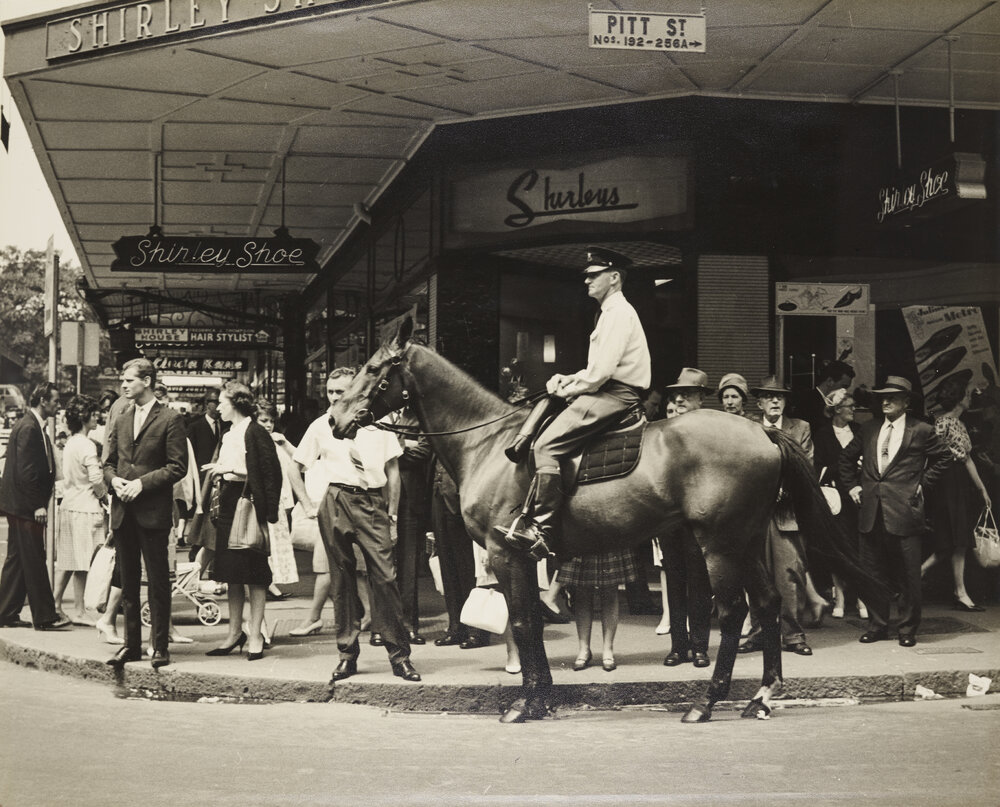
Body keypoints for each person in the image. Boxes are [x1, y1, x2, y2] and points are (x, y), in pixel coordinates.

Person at [498, 246, 651, 560]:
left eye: (594, 275)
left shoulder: (617, 313)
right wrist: (567, 379)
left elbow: (601, 374)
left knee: (545, 446)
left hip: (615, 395)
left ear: (614, 277)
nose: (587, 281)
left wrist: (567, 389)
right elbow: (598, 370)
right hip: (610, 389)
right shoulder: (611, 312)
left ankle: (541, 529)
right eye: (587, 276)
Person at [292, 367, 422, 683]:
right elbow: (296, 467)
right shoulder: (322, 425)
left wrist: (392, 514)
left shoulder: (379, 425)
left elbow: (393, 470)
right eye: (330, 391)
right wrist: (309, 504)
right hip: (336, 499)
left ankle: (400, 657)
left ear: (356, 391)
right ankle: (347, 656)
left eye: (341, 391)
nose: (334, 397)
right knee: (341, 581)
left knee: (386, 578)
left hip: (372, 501)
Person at [839, 375, 952, 647]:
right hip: (871, 512)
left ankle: (907, 629)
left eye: (892, 397)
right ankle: (877, 626)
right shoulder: (869, 428)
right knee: (872, 572)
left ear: (906, 402)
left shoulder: (921, 430)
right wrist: (852, 487)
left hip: (904, 511)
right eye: (882, 397)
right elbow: (845, 458)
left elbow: (945, 456)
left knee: (908, 576)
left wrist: (923, 483)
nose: (885, 401)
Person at [103, 358, 188, 670]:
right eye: (123, 380)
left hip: (152, 511)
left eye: (129, 380)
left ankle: (160, 646)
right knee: (127, 582)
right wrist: (114, 481)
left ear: (147, 381)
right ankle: (131, 645)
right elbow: (109, 462)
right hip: (123, 511)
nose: (124, 385)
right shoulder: (122, 417)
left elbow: (177, 466)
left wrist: (141, 484)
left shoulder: (170, 418)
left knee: (157, 582)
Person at [741, 375, 823, 656]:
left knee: (789, 574)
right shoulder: (749, 427)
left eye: (780, 396)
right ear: (760, 402)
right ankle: (759, 634)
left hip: (787, 513)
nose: (775, 401)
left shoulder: (800, 428)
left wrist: (783, 490)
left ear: (786, 402)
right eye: (768, 396)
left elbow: (806, 467)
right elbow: (742, 466)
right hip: (755, 515)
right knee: (757, 575)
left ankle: (793, 635)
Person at [203, 382, 281, 661]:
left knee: (255, 575)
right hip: (228, 503)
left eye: (222, 402)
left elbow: (269, 472)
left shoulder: (255, 431)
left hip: (248, 504)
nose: (218, 407)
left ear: (235, 403)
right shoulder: (229, 433)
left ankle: (255, 634)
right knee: (232, 574)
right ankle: (234, 633)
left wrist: (229, 469)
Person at [0, 382, 69, 631]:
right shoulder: (30, 427)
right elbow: (27, 472)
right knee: (35, 557)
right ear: (43, 401)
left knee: (18, 559)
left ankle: (5, 613)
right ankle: (45, 617)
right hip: (25, 506)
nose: (58, 405)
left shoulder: (31, 424)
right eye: (55, 401)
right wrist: (37, 505)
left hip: (18, 504)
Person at [921, 380, 992, 611]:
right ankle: (927, 578)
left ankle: (958, 591)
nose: (970, 398)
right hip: (946, 482)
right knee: (953, 538)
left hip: (959, 482)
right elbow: (933, 455)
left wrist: (982, 489)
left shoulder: (960, 423)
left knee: (959, 538)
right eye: (967, 395)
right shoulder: (942, 422)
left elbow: (968, 459)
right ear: (959, 398)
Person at [659, 368, 714, 668]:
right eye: (676, 395)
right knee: (675, 580)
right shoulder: (664, 433)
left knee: (700, 582)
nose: (679, 400)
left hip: (699, 519)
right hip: (669, 518)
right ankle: (678, 646)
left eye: (687, 395)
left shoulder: (709, 434)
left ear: (701, 400)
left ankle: (700, 646)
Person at [52, 395, 107, 626]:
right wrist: (105, 496)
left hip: (69, 505)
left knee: (69, 561)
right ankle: (78, 610)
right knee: (83, 562)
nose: (97, 416)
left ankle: (56, 604)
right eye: (93, 413)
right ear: (84, 417)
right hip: (86, 508)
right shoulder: (87, 444)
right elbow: (96, 478)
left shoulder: (71, 442)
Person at [813, 388, 867, 620]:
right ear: (836, 410)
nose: (854, 409)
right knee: (838, 548)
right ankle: (841, 597)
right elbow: (818, 469)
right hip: (837, 498)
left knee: (861, 547)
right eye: (850, 406)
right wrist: (844, 466)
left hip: (860, 496)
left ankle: (863, 596)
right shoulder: (823, 434)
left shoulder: (860, 430)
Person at [429, 460, 489, 648]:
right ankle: (456, 627)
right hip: (440, 498)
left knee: (468, 568)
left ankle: (476, 630)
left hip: (463, 499)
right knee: (448, 567)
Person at [391, 406, 432, 644]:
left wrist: (389, 452)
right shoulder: (375, 415)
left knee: (408, 565)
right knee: (379, 564)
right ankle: (381, 626)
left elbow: (424, 451)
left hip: (409, 500)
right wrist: (406, 445)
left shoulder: (419, 415)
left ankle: (408, 625)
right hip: (379, 495)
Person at [255, 399, 303, 600]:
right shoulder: (255, 441)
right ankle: (268, 584)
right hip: (266, 500)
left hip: (281, 500)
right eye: (263, 420)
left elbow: (302, 462)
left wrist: (286, 444)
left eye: (271, 421)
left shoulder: (277, 441)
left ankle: (269, 582)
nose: (268, 425)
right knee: (267, 543)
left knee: (275, 542)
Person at [561, 547, 638, 672]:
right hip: (582, 540)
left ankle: (608, 650)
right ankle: (584, 649)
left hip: (609, 539)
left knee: (610, 589)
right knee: (582, 590)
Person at [791, 360, 856, 434]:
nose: (844, 391)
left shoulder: (835, 403)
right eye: (843, 386)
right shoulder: (806, 401)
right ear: (830, 381)